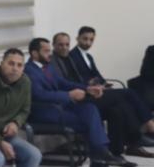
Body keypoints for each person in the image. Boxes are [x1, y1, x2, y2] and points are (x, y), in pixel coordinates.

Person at [24, 38, 124, 167]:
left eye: (50, 51)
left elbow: (63, 83)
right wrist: (69, 95)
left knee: (90, 109)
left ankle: (100, 155)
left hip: (59, 107)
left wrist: (87, 88)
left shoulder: (48, 67)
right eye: (46, 51)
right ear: (34, 53)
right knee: (89, 121)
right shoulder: (28, 71)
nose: (50, 54)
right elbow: (39, 95)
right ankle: (99, 160)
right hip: (43, 111)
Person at [52, 32, 151, 160]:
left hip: (88, 92)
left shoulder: (69, 58)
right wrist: (87, 88)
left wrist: (94, 85)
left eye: (67, 44)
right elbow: (64, 84)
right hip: (78, 99)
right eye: (60, 45)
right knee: (127, 93)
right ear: (54, 45)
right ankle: (147, 125)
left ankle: (118, 151)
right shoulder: (54, 61)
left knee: (118, 108)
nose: (64, 47)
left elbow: (85, 77)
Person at [70, 26, 154, 140]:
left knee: (122, 105)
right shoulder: (72, 56)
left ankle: (134, 139)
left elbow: (97, 75)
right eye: (85, 39)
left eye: (91, 40)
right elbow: (75, 78)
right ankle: (149, 124)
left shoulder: (88, 56)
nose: (88, 42)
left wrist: (103, 83)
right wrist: (90, 84)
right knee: (129, 93)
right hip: (89, 93)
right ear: (77, 38)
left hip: (99, 89)